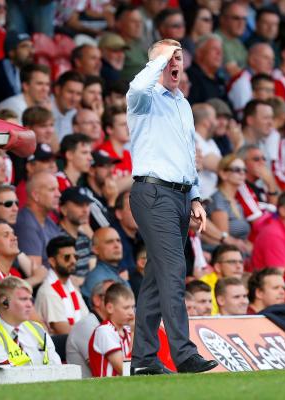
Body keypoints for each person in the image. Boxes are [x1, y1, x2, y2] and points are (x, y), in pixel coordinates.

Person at [126, 39, 216, 375]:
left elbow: (187, 154)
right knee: (175, 270)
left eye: (178, 56)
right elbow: (137, 86)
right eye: (168, 57)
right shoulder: (144, 99)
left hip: (178, 195)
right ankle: (184, 353)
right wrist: (158, 59)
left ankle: (145, 360)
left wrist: (195, 197)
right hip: (152, 193)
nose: (174, 62)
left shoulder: (183, 104)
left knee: (155, 279)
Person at [0, 276, 61, 366]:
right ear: (5, 302)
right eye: (23, 299)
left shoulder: (38, 329)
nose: (30, 304)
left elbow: (58, 369)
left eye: (30, 299)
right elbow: (8, 379)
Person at [35, 236, 89, 335]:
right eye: (67, 257)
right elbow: (63, 330)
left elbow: (88, 321)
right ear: (52, 261)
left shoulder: (72, 289)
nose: (73, 261)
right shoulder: (48, 291)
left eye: (75, 257)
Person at [66, 279, 114, 378]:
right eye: (113, 296)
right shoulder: (86, 326)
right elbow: (104, 368)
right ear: (97, 300)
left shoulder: (114, 325)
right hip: (84, 390)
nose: (119, 300)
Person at [13, 171, 61, 267]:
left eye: (58, 189)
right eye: (52, 190)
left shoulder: (49, 222)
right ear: (36, 195)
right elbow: (34, 271)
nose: (58, 194)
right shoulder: (26, 224)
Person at [88, 283, 135, 377]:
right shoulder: (104, 331)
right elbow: (124, 369)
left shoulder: (127, 330)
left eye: (132, 307)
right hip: (107, 389)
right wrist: (134, 331)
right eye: (126, 308)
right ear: (110, 308)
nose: (131, 312)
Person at [208, 155, 252, 253]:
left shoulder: (236, 201)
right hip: (223, 255)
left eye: (244, 170)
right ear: (223, 174)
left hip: (237, 253)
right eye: (237, 169)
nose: (242, 173)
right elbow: (224, 238)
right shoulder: (218, 199)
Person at [80, 227, 128, 301]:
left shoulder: (116, 275)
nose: (117, 245)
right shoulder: (97, 279)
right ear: (95, 249)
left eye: (118, 241)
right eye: (109, 242)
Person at [58, 187, 94, 283]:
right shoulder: (56, 238)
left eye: (87, 205)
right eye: (79, 205)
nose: (85, 210)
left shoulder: (85, 238)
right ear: (63, 209)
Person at [200, 244, 244, 315]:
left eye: (241, 262)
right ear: (218, 267)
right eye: (232, 262)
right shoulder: (205, 285)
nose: (239, 266)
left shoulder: (241, 285)